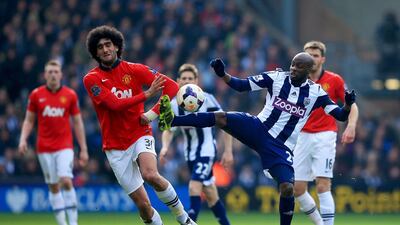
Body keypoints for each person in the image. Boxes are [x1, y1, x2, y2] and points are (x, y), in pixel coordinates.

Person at [158, 52, 356, 225]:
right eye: (292, 65)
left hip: (280, 147)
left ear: (309, 71)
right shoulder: (276, 77)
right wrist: (223, 75)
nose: (293, 68)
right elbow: (241, 85)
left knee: (287, 188)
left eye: (299, 66)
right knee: (221, 117)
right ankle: (172, 120)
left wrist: (347, 105)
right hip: (257, 127)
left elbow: (339, 115)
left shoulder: (316, 93)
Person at [83, 25, 196, 225]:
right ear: (95, 52)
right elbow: (114, 105)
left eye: (108, 44)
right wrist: (146, 95)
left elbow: (172, 87)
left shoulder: (135, 70)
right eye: (100, 47)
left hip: (139, 134)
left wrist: (152, 114)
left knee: (150, 174)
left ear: (117, 46)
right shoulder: (91, 79)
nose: (105, 49)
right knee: (144, 207)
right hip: (115, 146)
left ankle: (184, 219)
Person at [293, 41, 359, 225]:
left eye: (315, 55)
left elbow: (351, 105)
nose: (311, 59)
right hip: (301, 137)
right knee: (297, 189)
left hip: (325, 135)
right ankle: (321, 224)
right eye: (308, 55)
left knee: (323, 185)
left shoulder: (335, 80)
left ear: (323, 59)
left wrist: (351, 125)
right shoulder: (296, 79)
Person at [159, 63, 233, 225]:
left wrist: (228, 151)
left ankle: (190, 222)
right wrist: (165, 147)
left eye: (190, 78)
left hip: (207, 150)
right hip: (190, 153)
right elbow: (169, 129)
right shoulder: (173, 104)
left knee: (194, 187)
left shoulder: (207, 99)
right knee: (211, 194)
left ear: (196, 81)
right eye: (184, 78)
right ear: (178, 81)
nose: (187, 81)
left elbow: (225, 124)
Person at [18, 60, 89, 225]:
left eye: (56, 72)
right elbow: (29, 121)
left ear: (61, 75)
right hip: (43, 148)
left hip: (65, 146)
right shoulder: (36, 95)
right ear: (45, 75)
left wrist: (83, 148)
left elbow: (78, 122)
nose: (53, 75)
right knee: (53, 186)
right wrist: (23, 139)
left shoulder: (70, 95)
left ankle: (73, 223)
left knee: (65, 179)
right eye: (49, 72)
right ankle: (62, 223)